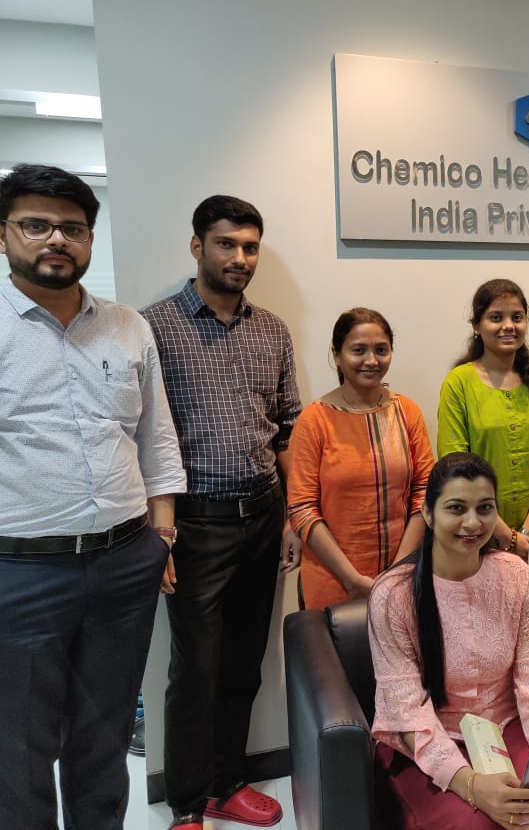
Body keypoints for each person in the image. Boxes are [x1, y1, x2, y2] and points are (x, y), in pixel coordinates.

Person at [0, 164, 186, 829]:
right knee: (18, 747)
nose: (56, 239)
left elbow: (156, 435)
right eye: (36, 224)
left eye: (72, 228)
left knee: (105, 734)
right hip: (20, 571)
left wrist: (161, 536)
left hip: (123, 562)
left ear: (89, 238)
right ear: (4, 234)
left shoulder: (128, 327)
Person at [142, 195, 302, 830]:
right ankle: (188, 804)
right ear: (197, 247)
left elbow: (286, 430)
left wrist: (291, 517)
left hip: (263, 515)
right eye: (226, 244)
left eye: (250, 246)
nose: (240, 257)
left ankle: (228, 781)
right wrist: (157, 535)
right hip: (194, 525)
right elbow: (142, 436)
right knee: (195, 669)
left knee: (243, 663)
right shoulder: (154, 328)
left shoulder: (273, 330)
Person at [369, 452, 529, 830]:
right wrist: (472, 786)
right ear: (428, 513)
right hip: (428, 743)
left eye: (485, 508)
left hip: (507, 727)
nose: (472, 522)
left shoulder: (516, 576)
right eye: (456, 508)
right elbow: (406, 712)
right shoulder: (394, 595)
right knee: (472, 825)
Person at [287, 307, 434, 609]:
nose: (371, 360)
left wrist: (397, 572)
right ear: (337, 355)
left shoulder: (407, 412)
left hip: (402, 577)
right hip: (333, 581)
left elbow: (425, 492)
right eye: (358, 350)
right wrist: (352, 578)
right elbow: (302, 509)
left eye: (381, 350)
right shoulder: (314, 420)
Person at [438, 279, 529, 555]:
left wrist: (528, 531)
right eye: (496, 317)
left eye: (517, 317)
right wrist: (506, 535)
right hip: (475, 534)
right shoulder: (459, 383)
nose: (508, 326)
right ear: (477, 324)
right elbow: (455, 464)